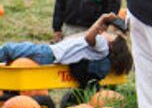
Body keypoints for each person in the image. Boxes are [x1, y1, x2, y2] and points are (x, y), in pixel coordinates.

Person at [0, 12, 132, 82]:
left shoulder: (102, 48)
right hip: (50, 52)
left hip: (48, 53)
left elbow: (89, 37)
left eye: (110, 36)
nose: (106, 33)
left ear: (112, 46)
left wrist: (101, 19)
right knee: (12, 56)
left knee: (9, 49)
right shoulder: (99, 46)